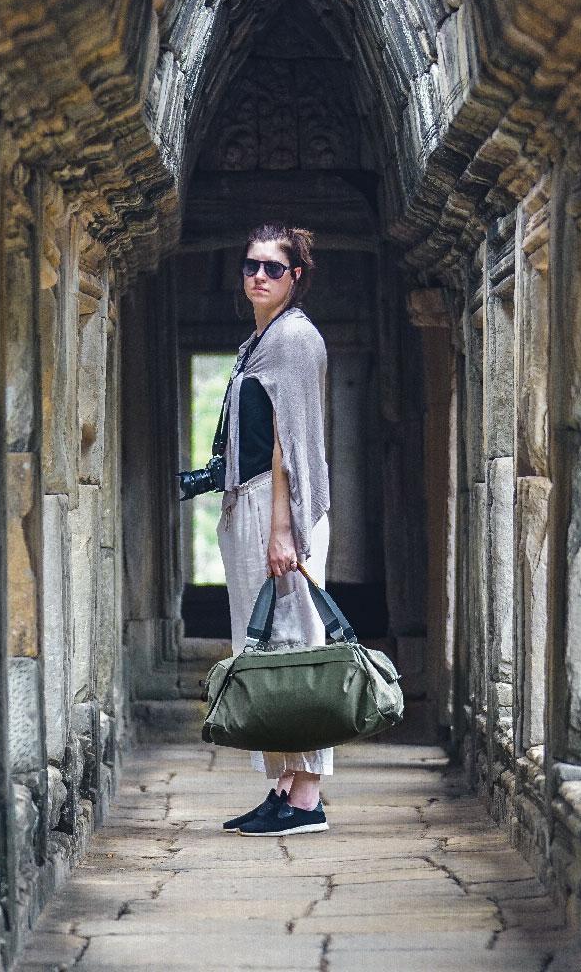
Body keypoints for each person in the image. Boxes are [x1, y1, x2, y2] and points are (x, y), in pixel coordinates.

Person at [216, 223, 332, 837]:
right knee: (262, 647)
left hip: (278, 506)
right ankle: (283, 785)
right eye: (251, 265)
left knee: (296, 646)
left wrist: (283, 530)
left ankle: (307, 797)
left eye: (273, 268)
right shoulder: (257, 342)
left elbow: (291, 443)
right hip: (251, 501)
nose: (259, 276)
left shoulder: (295, 338)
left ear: (296, 276)